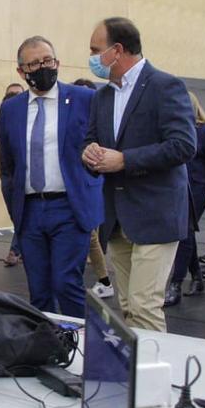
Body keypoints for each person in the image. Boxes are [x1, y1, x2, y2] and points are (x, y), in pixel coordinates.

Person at [82, 17, 196, 332]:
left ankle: (153, 379)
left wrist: (125, 160)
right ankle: (135, 376)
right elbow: (90, 139)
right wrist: (88, 153)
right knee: (129, 307)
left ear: (117, 50)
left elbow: (183, 145)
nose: (91, 56)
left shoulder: (165, 86)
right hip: (118, 219)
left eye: (96, 49)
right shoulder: (102, 96)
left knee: (145, 307)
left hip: (156, 215)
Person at [0, 38, 102, 317]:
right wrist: (15, 209)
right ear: (21, 71)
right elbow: (7, 165)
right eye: (34, 63)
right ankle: (47, 350)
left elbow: (101, 148)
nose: (42, 67)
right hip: (30, 211)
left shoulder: (85, 99)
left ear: (57, 62)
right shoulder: (10, 109)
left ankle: (79, 346)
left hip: (69, 207)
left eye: (47, 61)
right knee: (39, 290)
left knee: (66, 283)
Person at [165, 91, 205, 307]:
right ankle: (197, 277)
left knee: (184, 234)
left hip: (197, 190)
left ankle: (176, 284)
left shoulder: (203, 132)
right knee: (186, 234)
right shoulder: (173, 131)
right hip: (178, 190)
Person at [72, 78, 115, 299]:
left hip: (90, 184)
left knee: (90, 235)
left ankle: (104, 280)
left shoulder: (99, 121)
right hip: (74, 185)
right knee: (88, 237)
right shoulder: (72, 119)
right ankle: (101, 280)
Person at [0, 82, 27, 268]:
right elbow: (3, 144)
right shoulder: (1, 120)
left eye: (18, 95)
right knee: (16, 215)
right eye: (10, 95)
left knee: (22, 215)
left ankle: (15, 250)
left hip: (23, 176)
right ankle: (20, 248)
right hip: (7, 174)